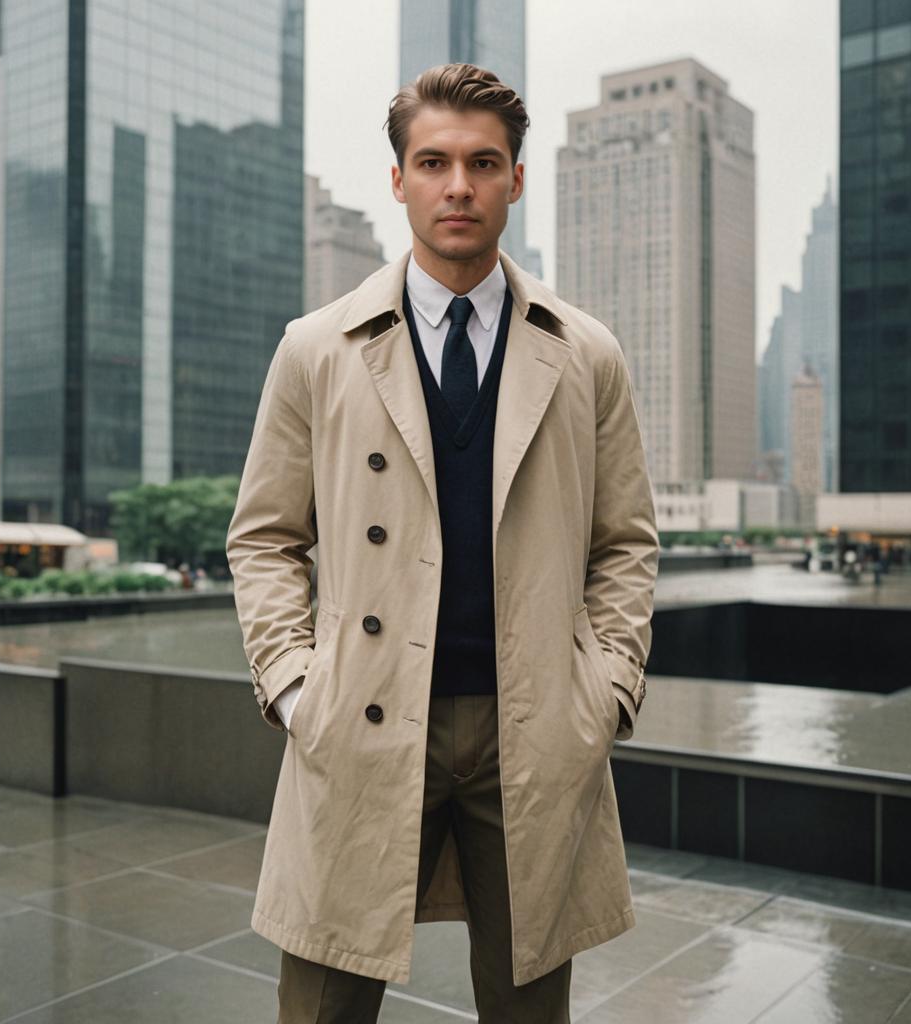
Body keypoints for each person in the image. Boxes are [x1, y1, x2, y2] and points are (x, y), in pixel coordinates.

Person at [226, 63, 659, 1023]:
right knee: (325, 1002)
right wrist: (299, 691)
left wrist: (608, 689)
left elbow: (625, 541)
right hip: (365, 716)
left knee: (528, 1005)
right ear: (398, 180)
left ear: (514, 178)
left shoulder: (586, 352)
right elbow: (263, 536)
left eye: (481, 163)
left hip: (535, 727)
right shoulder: (317, 347)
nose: (456, 185)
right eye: (433, 162)